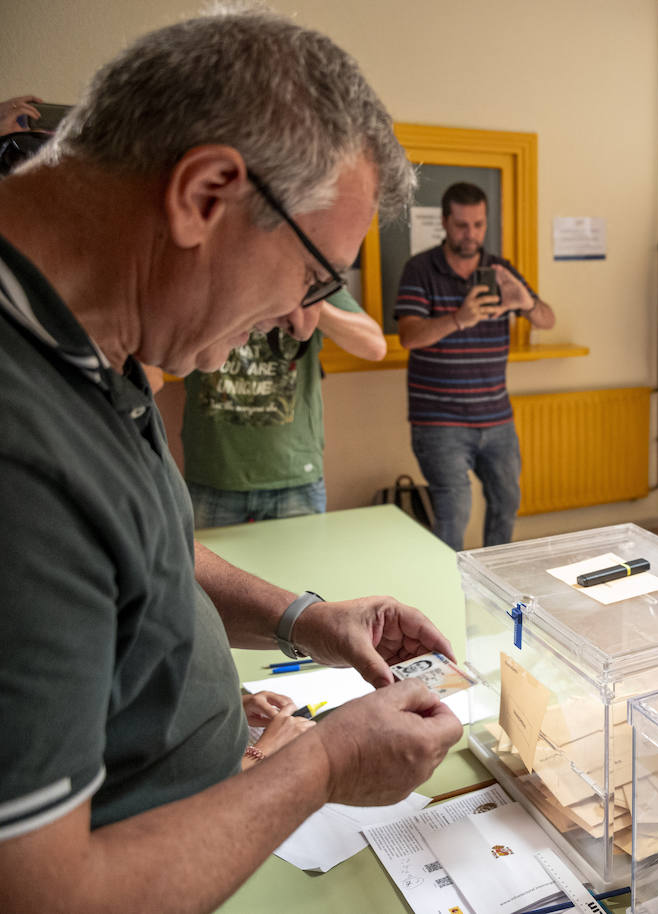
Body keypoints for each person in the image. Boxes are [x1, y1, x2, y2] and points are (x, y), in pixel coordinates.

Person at [0, 12, 464, 909]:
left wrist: (306, 621)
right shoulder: (20, 445)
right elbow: (44, 896)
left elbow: (140, 555)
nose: (304, 310)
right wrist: (322, 764)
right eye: (316, 277)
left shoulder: (93, 332)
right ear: (205, 194)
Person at [395, 182, 556, 550]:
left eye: (479, 225)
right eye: (462, 225)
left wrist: (525, 301)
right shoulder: (420, 269)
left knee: (507, 502)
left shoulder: (499, 270)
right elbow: (409, 336)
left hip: (497, 418)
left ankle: (492, 590)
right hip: (440, 421)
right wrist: (459, 318)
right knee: (454, 511)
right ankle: (444, 596)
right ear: (445, 222)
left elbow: (547, 320)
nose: (471, 235)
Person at [181, 287, 386, 527]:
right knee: (204, 565)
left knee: (300, 565)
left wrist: (305, 300)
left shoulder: (311, 274)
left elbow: (374, 346)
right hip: (213, 473)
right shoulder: (209, 270)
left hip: (294, 474)